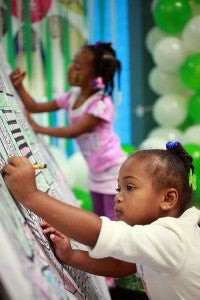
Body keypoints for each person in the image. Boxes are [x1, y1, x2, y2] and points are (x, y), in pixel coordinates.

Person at [3, 141, 200, 300]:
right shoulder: (158, 238)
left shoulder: (172, 238)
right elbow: (124, 265)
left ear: (167, 199)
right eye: (118, 189)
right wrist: (71, 256)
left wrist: (30, 195)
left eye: (129, 187)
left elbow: (99, 232)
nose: (118, 197)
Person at [9, 42, 126, 221]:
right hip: (95, 171)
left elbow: (74, 131)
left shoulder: (100, 104)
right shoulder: (71, 97)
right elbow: (34, 106)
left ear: (94, 76)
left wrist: (39, 128)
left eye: (77, 67)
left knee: (113, 217)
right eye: (73, 63)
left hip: (112, 170)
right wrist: (19, 87)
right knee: (100, 217)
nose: (69, 69)